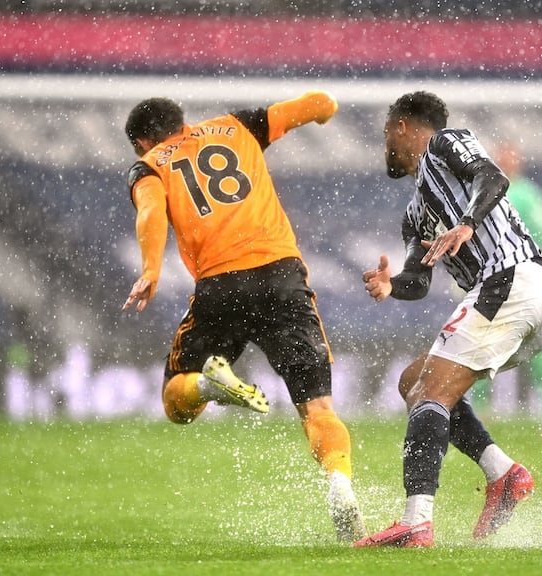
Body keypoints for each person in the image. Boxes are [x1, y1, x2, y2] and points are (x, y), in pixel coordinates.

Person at [121, 91, 367, 541]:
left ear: (141, 141)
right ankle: (339, 480)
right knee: (318, 409)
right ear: (183, 120)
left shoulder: (151, 164)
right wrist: (326, 110)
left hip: (221, 286)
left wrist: (152, 269)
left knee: (177, 404)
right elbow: (318, 103)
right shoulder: (238, 126)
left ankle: (207, 384)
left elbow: (152, 211)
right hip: (281, 275)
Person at [353, 91, 542, 548]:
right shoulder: (415, 213)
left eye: (388, 132)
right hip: (520, 296)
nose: (385, 143)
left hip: (513, 279)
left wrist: (468, 222)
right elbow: (418, 278)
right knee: (414, 382)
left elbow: (491, 176)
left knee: (428, 389)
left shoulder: (445, 143)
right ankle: (503, 474)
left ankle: (416, 521)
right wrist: (393, 286)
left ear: (404, 126)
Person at [487, 142, 542, 441]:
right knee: (481, 350)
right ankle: (479, 414)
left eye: (511, 157)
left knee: (537, 350)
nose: (506, 161)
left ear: (518, 162)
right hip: (491, 283)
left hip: (524, 282)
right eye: (502, 156)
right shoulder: (486, 189)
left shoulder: (527, 194)